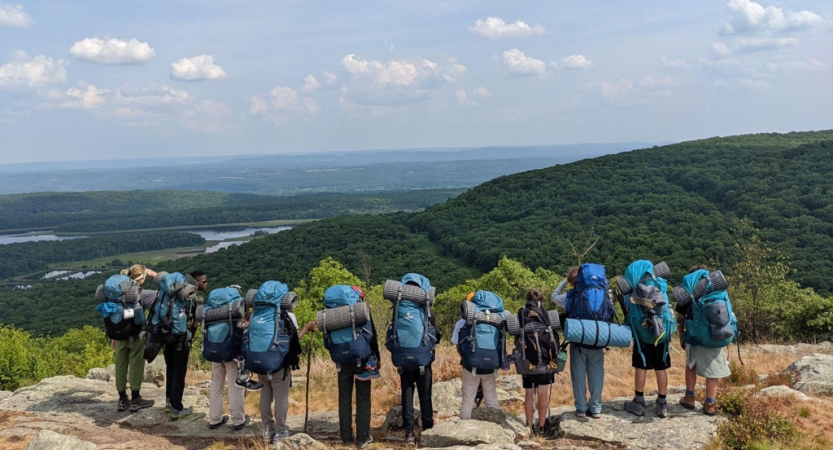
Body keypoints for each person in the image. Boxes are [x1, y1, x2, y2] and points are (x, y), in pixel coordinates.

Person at [676, 265, 731, 416]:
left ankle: (689, 397)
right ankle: (710, 404)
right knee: (713, 373)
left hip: (696, 338)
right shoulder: (717, 289)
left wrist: (681, 337)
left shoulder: (688, 293)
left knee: (691, 365)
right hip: (717, 335)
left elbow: (680, 319)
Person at [260, 313, 317, 444]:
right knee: (281, 398)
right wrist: (306, 328)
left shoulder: (260, 313)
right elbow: (294, 341)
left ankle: (267, 431)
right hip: (279, 364)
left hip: (261, 361)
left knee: (265, 396)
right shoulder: (287, 315)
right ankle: (280, 432)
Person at [394, 277, 439, 445]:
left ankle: (409, 432)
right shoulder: (426, 311)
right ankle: (427, 427)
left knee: (407, 393)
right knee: (425, 394)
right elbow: (436, 335)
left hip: (404, 359)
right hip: (423, 359)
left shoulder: (398, 309)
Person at [562, 265, 610, 419]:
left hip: (579, 339)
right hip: (597, 338)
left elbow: (565, 308)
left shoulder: (573, 295)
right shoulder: (604, 294)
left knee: (578, 375)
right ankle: (596, 408)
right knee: (597, 374)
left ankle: (581, 408)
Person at [206, 285, 255, 432]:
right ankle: (238, 420)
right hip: (232, 353)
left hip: (215, 349)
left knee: (216, 385)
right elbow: (244, 328)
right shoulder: (237, 308)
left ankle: (215, 419)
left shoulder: (214, 309)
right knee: (235, 385)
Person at [157, 270, 204, 420]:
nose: (206, 283)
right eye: (204, 281)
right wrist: (190, 339)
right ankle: (176, 408)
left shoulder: (168, 293)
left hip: (165, 335)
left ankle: (168, 402)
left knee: (170, 368)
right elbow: (195, 323)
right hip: (181, 340)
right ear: (196, 283)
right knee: (179, 372)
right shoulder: (194, 298)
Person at [114, 264, 158, 412]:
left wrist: (114, 334)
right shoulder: (142, 294)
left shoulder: (118, 291)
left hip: (119, 335)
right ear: (142, 278)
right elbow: (169, 290)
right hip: (136, 335)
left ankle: (122, 399)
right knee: (136, 364)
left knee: (120, 365)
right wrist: (154, 275)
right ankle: (135, 398)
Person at [452, 292, 499, 420]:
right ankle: (495, 427)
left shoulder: (462, 322)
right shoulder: (494, 319)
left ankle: (465, 429)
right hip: (490, 366)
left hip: (470, 366)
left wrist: (467, 359)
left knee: (467, 400)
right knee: (491, 399)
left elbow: (458, 345)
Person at [520, 289, 555, 434]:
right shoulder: (546, 315)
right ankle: (541, 426)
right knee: (543, 393)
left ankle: (528, 425)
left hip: (527, 360)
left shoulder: (522, 313)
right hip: (546, 361)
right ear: (542, 300)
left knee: (529, 392)